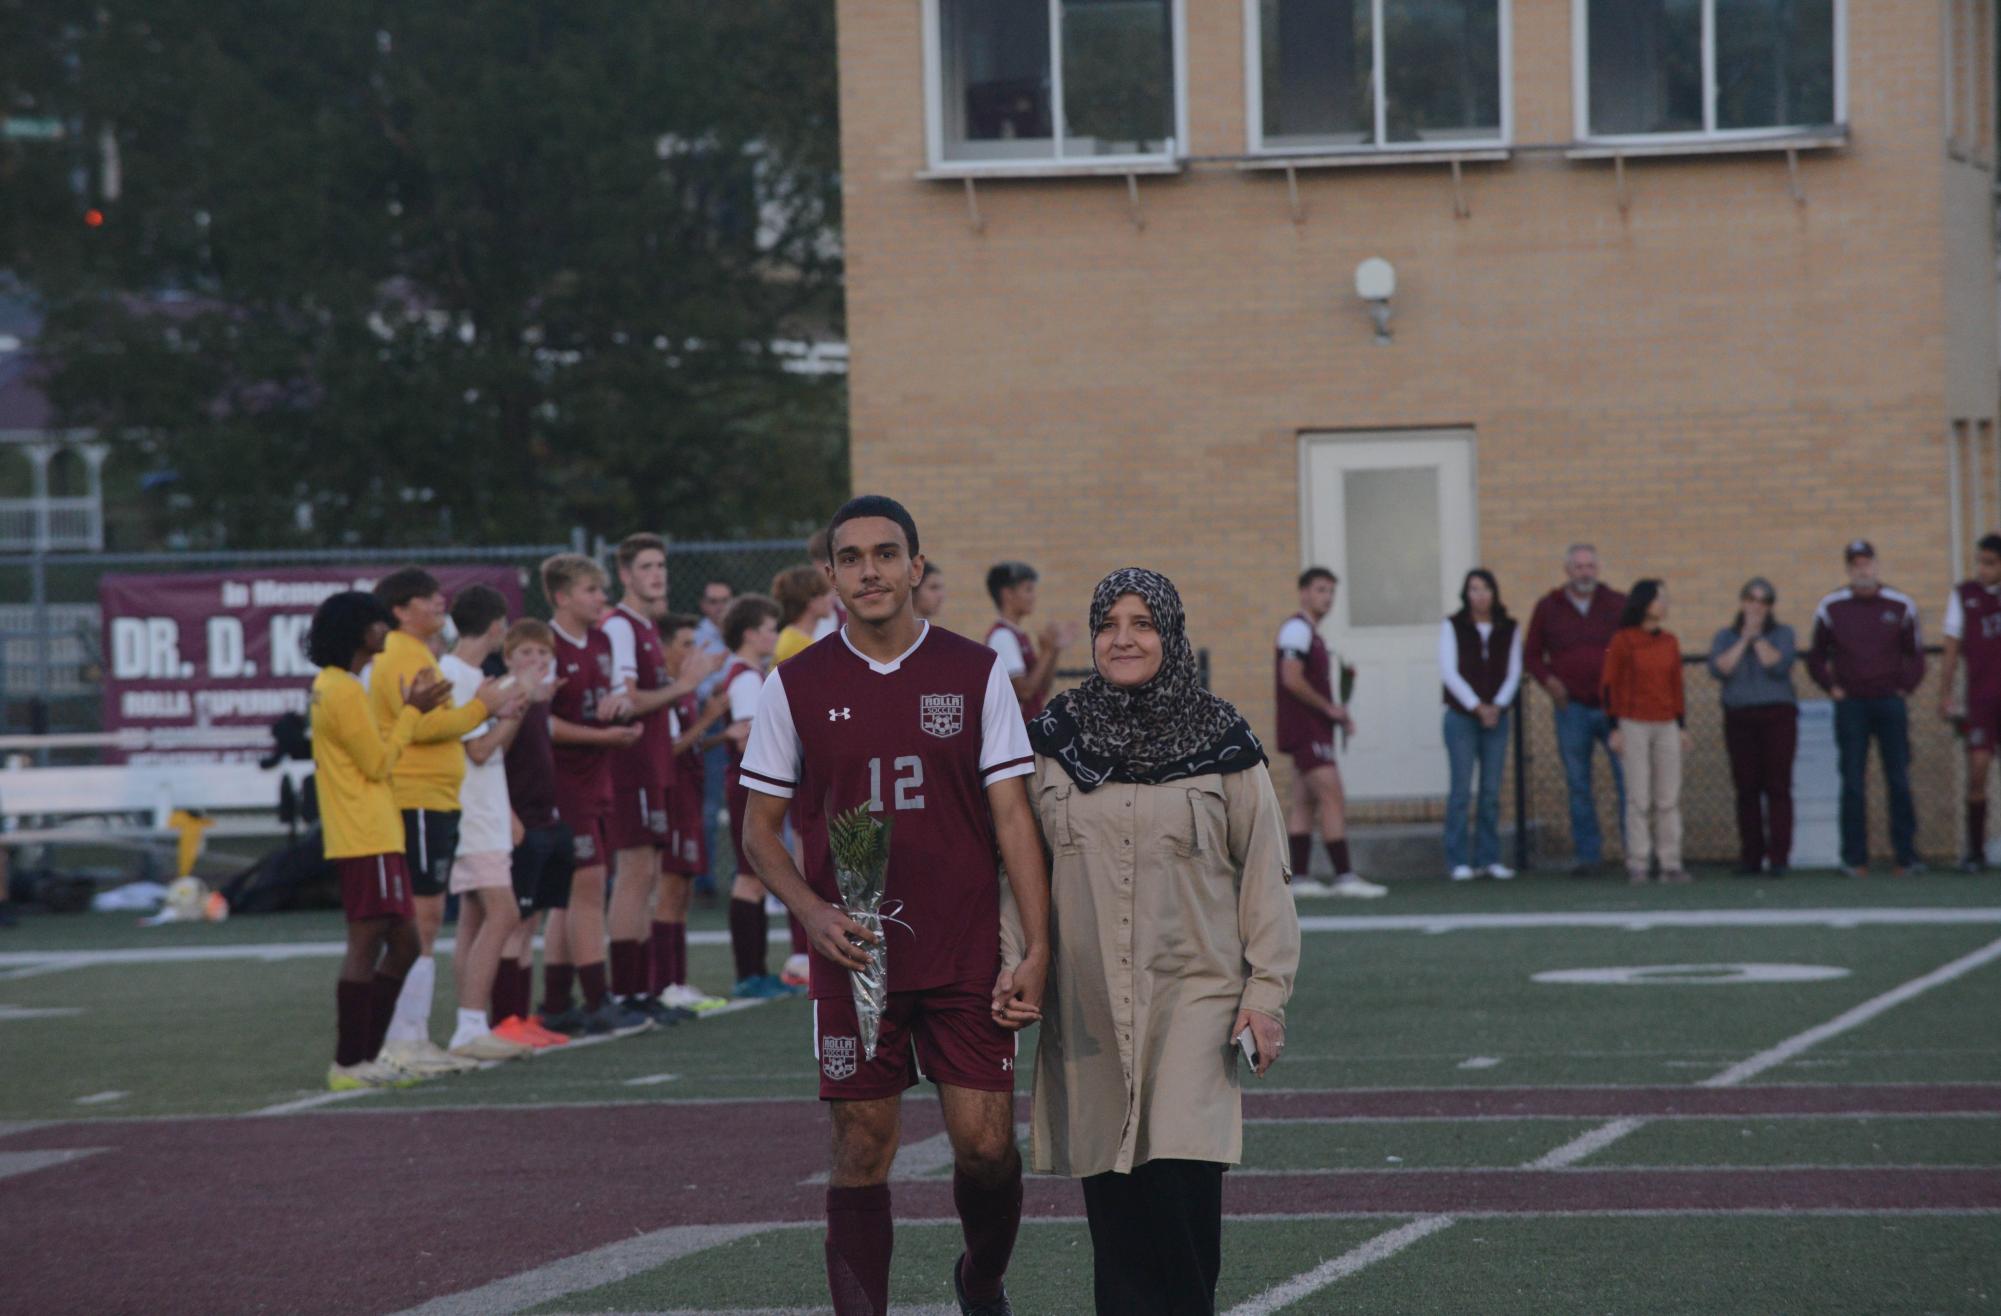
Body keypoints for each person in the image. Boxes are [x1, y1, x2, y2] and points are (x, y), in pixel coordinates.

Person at [739, 495, 1051, 1316]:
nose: (868, 571)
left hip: (963, 950)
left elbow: (1013, 817)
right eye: (850, 558)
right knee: (861, 1148)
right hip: (857, 957)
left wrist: (1037, 946)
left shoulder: (974, 670)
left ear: (916, 567)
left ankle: (980, 1276)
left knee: (985, 1149)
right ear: (830, 575)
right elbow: (759, 834)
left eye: (886, 554)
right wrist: (811, 913)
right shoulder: (794, 684)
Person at [1019, 567, 1298, 1316]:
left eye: (1141, 623)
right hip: (1087, 1003)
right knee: (1114, 1207)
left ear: (1169, 636)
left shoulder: (1223, 741)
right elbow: (1019, 871)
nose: (1123, 639)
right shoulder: (1053, 740)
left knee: (1177, 1193)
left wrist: (1265, 996)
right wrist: (1017, 964)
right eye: (1109, 624)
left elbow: (1264, 881)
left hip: (1195, 998)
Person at [369, 567, 521, 1077]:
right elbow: (430, 727)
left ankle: (418, 1035)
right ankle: (403, 1038)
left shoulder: (420, 656)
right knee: (421, 920)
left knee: (431, 919)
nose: (440, 603)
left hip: (438, 798)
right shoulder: (399, 656)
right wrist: (492, 708)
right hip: (417, 795)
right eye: (427, 598)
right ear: (400, 610)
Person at [308, 590, 450, 1090]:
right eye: (374, 624)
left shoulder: (339, 685)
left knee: (406, 944)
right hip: (364, 833)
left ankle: (369, 1053)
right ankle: (349, 1062)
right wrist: (412, 713)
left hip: (374, 831)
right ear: (356, 632)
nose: (383, 631)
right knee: (367, 942)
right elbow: (379, 763)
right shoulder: (343, 690)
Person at [601, 533, 725, 1024]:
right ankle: (625, 993)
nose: (658, 575)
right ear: (626, 576)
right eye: (647, 567)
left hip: (652, 766)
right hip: (631, 767)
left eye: (661, 566)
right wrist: (684, 687)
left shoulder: (646, 627)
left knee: (649, 877)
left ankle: (643, 990)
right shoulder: (621, 627)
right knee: (633, 878)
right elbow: (626, 700)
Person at [539, 553, 650, 1036]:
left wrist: (619, 706)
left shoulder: (602, 640)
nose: (600, 599)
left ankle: (558, 1001)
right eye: (590, 591)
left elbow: (616, 695)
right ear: (562, 596)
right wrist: (603, 738)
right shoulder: (544, 643)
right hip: (561, 785)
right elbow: (541, 722)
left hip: (596, 779)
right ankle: (597, 998)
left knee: (571, 896)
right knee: (587, 889)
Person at [438, 585, 533, 1061]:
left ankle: (471, 1022)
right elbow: (476, 749)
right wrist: (516, 705)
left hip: (486, 811)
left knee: (476, 920)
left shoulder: (471, 674)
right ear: (496, 625)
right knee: (505, 913)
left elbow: (489, 745)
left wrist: (512, 710)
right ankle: (471, 1025)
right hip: (471, 812)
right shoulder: (455, 675)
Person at [1807, 540, 1926, 876]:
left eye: (1867, 563)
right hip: (1852, 706)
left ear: (1876, 565)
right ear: (1848, 569)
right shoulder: (1831, 606)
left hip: (1890, 702)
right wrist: (1832, 687)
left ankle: (1906, 856)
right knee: (1853, 782)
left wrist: (1905, 688)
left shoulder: (1901, 604)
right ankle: (1854, 858)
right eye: (1856, 564)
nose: (1863, 570)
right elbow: (1816, 657)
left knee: (1899, 778)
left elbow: (1915, 655)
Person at [1275, 567, 1384, 898]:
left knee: (1304, 803)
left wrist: (1335, 716)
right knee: (1332, 795)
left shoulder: (1313, 634)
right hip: (1306, 730)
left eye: (1331, 592)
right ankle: (1344, 876)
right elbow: (1291, 678)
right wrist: (1329, 709)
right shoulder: (1296, 629)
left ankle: (1301, 878)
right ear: (1304, 593)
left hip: (1312, 728)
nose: (1327, 598)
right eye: (1321, 590)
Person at [491, 620, 573, 1050]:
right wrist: (506, 812)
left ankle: (521, 1016)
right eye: (526, 654)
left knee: (531, 921)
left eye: (543, 654)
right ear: (508, 658)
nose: (536, 662)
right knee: (514, 924)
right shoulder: (511, 697)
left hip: (544, 817)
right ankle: (505, 1018)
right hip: (519, 820)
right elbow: (493, 758)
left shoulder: (539, 698)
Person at [1524, 544, 1629, 876]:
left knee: (1627, 781)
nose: (1585, 572)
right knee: (1579, 785)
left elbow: (1632, 648)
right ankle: (1589, 857)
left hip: (1614, 710)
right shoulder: (1548, 607)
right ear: (1567, 570)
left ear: (1598, 569)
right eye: (1579, 567)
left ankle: (1635, 854)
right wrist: (1548, 682)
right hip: (1572, 710)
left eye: (1590, 566)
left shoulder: (1617, 604)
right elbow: (1530, 655)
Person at [654, 612, 734, 1013]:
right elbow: (668, 748)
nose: (692, 652)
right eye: (685, 644)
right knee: (669, 892)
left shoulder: (684, 691)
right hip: (669, 800)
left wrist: (717, 731)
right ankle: (662, 982)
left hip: (688, 796)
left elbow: (693, 742)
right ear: (664, 647)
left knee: (683, 891)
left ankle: (677, 980)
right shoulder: (666, 690)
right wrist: (709, 719)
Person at [718, 592, 787, 997]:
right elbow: (746, 739)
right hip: (747, 784)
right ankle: (749, 974)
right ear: (749, 633)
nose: (774, 636)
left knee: (757, 878)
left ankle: (758, 970)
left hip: (750, 783)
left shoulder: (751, 673)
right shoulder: (745, 677)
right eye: (768, 629)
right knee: (749, 878)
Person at [1707, 578, 1798, 876]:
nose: (1756, 606)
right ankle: (1751, 857)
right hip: (1740, 717)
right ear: (1742, 601)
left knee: (1778, 787)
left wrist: (1758, 638)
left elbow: (1777, 665)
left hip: (1777, 716)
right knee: (1746, 789)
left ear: (1770, 606)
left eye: (1763, 601)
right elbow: (1721, 668)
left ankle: (1780, 857)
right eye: (1751, 599)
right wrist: (1743, 638)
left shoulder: (1783, 634)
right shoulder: (1724, 636)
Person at [1602, 580, 1689, 885]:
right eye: (1659, 599)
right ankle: (1638, 862)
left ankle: (1670, 862)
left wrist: (1681, 725)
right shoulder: (1622, 640)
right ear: (1644, 603)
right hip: (1633, 723)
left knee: (1668, 797)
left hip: (1666, 723)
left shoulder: (1670, 642)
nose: (1664, 604)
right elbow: (1609, 684)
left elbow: (1677, 686)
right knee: (1639, 797)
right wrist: (1614, 727)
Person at [1439, 569, 1523, 881]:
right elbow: (1449, 671)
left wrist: (1497, 706)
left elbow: (1514, 672)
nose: (1480, 595)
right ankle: (1458, 859)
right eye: (1474, 589)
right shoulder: (1453, 625)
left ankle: (1489, 858)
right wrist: (1476, 706)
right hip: (1461, 717)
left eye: (1486, 588)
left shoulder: (1508, 627)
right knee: (1461, 790)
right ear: (1466, 594)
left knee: (1491, 790)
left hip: (1497, 718)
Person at [1939, 534, 2001, 871]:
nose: (1982, 569)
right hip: (1981, 700)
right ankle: (1976, 851)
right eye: (1979, 561)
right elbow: (1950, 648)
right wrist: (1945, 692)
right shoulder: (1964, 595)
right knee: (1977, 770)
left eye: (1989, 563)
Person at [985, 560, 1075, 723]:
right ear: (1008, 594)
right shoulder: (1002, 636)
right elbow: (1024, 692)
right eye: (1028, 590)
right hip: (1014, 736)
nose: (1033, 596)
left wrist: (1053, 651)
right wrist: (1046, 652)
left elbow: (1041, 690)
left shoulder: (1016, 634)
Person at [693, 579, 736, 900]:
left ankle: (743, 874)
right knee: (708, 807)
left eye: (725, 600)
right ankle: (704, 879)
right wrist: (728, 684)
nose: (719, 607)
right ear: (703, 605)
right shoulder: (698, 640)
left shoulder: (739, 633)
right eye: (713, 601)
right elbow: (698, 689)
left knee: (741, 802)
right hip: (711, 724)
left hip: (741, 722)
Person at [776, 562, 837, 663]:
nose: (831, 598)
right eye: (825, 593)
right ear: (810, 601)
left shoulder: (795, 638)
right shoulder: (797, 645)